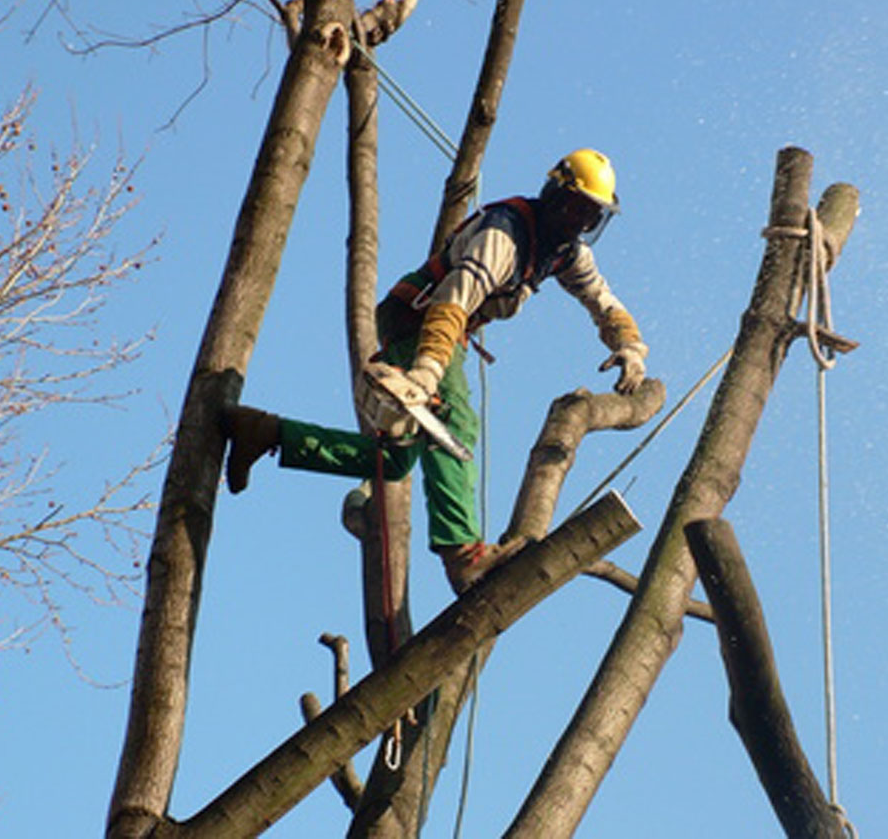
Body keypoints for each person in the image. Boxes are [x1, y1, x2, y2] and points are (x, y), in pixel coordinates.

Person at [223, 148, 649, 592]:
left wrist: (630, 347)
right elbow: (453, 303)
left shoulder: (564, 254)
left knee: (392, 460)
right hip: (421, 320)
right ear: (555, 194)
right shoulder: (504, 235)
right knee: (454, 421)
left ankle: (265, 432)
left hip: (436, 327)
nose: (579, 222)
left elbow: (603, 301)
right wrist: (427, 374)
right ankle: (464, 557)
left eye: (590, 215)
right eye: (576, 209)